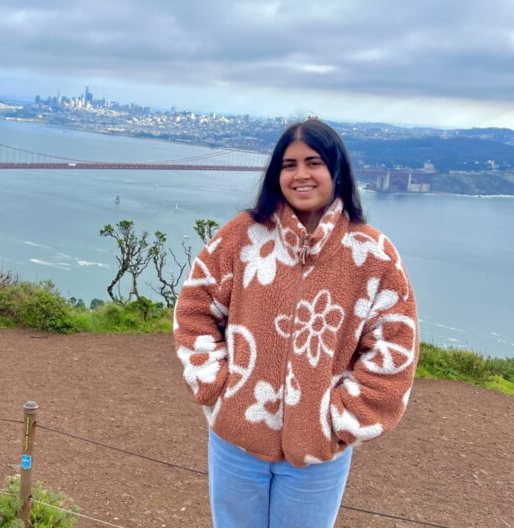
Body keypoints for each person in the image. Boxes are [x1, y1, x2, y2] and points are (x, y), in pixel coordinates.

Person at [173, 118, 419, 528]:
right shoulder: (241, 236)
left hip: (317, 454)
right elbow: (194, 309)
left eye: (313, 162)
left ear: (336, 171)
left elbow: (394, 348)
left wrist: (339, 420)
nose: (301, 174)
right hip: (235, 439)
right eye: (289, 165)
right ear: (277, 174)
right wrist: (217, 388)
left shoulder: (374, 255)